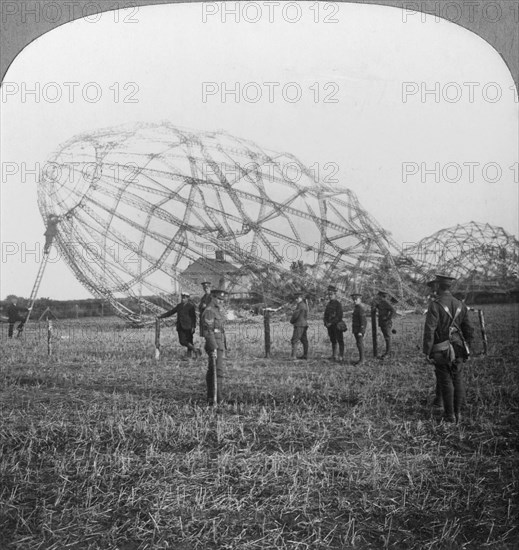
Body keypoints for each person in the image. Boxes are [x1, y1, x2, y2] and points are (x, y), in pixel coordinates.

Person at [423, 274, 474, 424]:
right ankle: (458, 413)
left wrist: (427, 351)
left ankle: (449, 415)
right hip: (458, 347)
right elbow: (469, 330)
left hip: (441, 348)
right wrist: (467, 348)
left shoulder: (435, 305)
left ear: (438, 286)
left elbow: (429, 330)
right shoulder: (460, 304)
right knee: (457, 379)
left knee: (445, 380)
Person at [202, 289, 227, 405]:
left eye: (222, 299)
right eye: (219, 299)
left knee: (214, 370)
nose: (221, 301)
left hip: (219, 342)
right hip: (214, 343)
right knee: (218, 370)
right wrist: (213, 347)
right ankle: (218, 398)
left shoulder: (218, 310)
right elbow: (208, 331)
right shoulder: (209, 311)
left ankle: (212, 396)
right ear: (213, 297)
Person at [158, 292, 197, 357]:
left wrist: (193, 327)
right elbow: (171, 312)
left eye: (184, 298)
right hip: (180, 326)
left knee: (189, 340)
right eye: (182, 298)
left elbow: (193, 317)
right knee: (182, 341)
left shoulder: (191, 306)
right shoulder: (179, 306)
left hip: (188, 326)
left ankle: (189, 356)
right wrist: (161, 316)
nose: (183, 299)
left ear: (188, 298)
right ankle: (195, 350)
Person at [373, 290, 397, 358]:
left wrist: (388, 318)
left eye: (379, 296)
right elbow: (377, 307)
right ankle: (387, 352)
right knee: (386, 337)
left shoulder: (385, 303)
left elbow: (393, 310)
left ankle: (388, 353)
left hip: (386, 323)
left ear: (382, 296)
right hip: (382, 322)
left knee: (387, 338)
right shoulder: (381, 303)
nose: (378, 297)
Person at [323, 285, 344, 361]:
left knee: (340, 340)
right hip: (330, 326)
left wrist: (331, 323)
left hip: (337, 325)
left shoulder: (338, 304)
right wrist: (325, 322)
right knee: (333, 340)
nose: (330, 296)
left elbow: (339, 316)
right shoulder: (329, 304)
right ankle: (334, 355)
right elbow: (325, 315)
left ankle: (341, 356)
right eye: (329, 294)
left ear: (335, 295)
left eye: (331, 294)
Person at [290, 292, 309, 360]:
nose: (296, 300)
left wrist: (291, 321)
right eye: (295, 298)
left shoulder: (300, 305)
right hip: (304, 324)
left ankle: (293, 356)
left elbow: (295, 315)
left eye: (297, 298)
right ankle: (305, 355)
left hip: (299, 324)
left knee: (294, 340)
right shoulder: (304, 305)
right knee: (304, 340)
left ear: (301, 297)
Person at [351, 293, 367, 364]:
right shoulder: (356, 307)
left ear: (360, 300)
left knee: (360, 344)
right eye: (353, 300)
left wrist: (361, 331)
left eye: (356, 300)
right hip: (356, 329)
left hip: (359, 330)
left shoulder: (360, 308)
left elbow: (363, 321)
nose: (354, 301)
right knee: (358, 343)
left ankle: (362, 360)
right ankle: (361, 359)